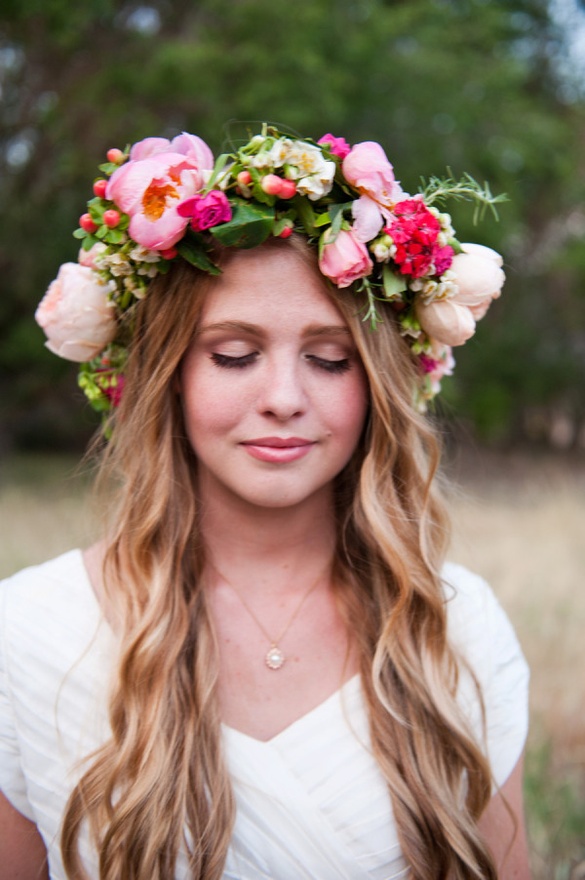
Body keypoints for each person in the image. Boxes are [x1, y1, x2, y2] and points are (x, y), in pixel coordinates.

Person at [0, 125, 530, 880]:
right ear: (169, 375)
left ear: (378, 383)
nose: (283, 398)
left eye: (328, 358)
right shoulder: (27, 632)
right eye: (234, 355)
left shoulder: (459, 630)